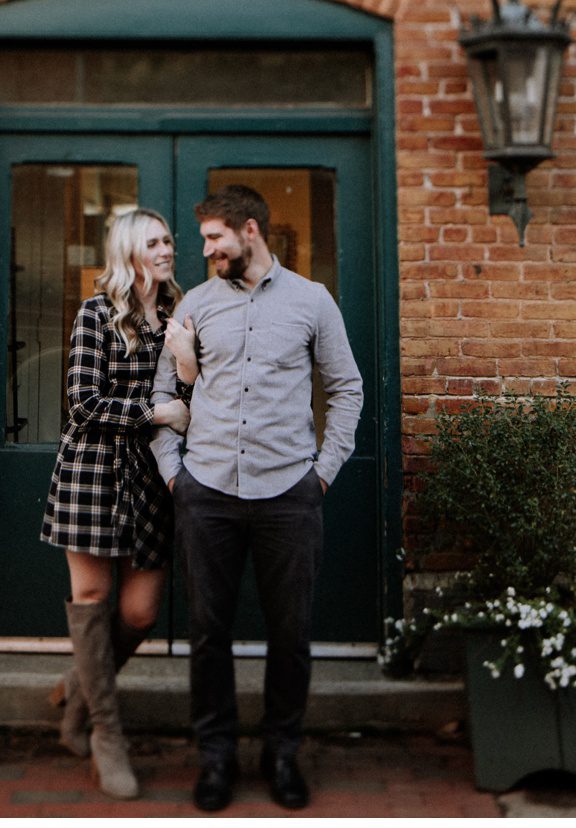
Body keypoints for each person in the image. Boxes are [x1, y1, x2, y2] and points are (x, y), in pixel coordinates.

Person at [151, 184, 364, 813]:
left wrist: (321, 472)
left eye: (215, 239)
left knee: (291, 633)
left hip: (288, 494)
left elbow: (346, 389)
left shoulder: (312, 301)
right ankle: (215, 758)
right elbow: (167, 395)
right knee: (208, 632)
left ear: (250, 230)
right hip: (207, 492)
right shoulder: (197, 303)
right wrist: (174, 475)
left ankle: (282, 754)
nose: (208, 251)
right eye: (205, 242)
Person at [38, 207, 195, 800]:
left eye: (169, 240)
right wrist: (152, 412)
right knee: (93, 598)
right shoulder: (96, 313)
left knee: (138, 614)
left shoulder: (180, 316)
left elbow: (190, 395)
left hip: (153, 477)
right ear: (130, 250)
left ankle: (80, 686)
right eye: (154, 241)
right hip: (92, 471)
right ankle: (106, 732)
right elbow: (82, 403)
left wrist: (185, 361)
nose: (166, 249)